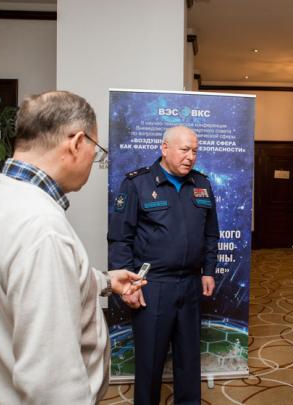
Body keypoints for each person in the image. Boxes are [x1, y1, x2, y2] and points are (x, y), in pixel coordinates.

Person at [0, 91, 146, 404]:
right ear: (77, 142)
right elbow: (51, 382)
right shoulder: (41, 228)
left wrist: (106, 281)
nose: (93, 161)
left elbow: (11, 282)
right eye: (96, 151)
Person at [108, 125, 219, 405]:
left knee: (189, 360)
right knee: (150, 362)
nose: (190, 156)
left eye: (195, 150)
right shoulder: (137, 184)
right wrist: (129, 285)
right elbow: (120, 239)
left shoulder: (202, 184)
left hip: (191, 284)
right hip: (152, 285)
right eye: (184, 149)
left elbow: (210, 233)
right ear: (164, 148)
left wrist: (208, 270)